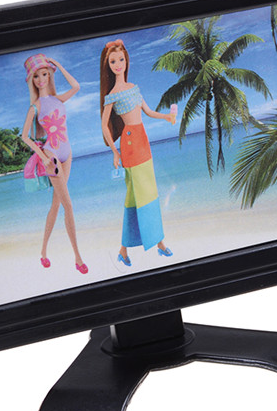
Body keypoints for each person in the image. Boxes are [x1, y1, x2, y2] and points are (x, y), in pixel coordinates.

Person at [99, 39, 175, 267]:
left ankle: (124, 250)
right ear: (108, 66)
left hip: (143, 139)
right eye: (113, 61)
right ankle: (159, 242)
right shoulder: (112, 95)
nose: (118, 64)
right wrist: (114, 152)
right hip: (130, 143)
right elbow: (104, 126)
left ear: (126, 60)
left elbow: (149, 112)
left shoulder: (134, 88)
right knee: (146, 192)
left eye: (121, 59)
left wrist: (167, 117)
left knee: (137, 194)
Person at [21, 53, 88, 274]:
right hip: (52, 156)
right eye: (37, 76)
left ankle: (43, 253)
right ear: (32, 80)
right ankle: (78, 258)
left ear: (50, 75)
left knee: (56, 205)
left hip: (68, 153)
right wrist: (43, 157)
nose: (41, 79)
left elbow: (76, 86)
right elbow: (25, 137)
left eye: (45, 74)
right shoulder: (35, 107)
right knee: (68, 205)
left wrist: (58, 64)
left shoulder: (58, 99)